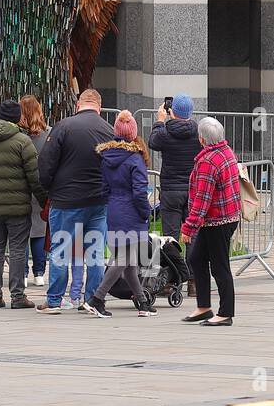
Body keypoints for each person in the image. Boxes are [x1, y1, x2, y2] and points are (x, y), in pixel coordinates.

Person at [35, 88, 112, 315]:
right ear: (99, 106)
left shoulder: (64, 127)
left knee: (60, 249)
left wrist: (49, 188)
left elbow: (46, 163)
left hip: (65, 199)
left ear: (79, 104)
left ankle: (54, 301)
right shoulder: (108, 130)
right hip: (98, 200)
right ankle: (93, 299)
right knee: (96, 252)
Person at [0, 98, 46, 310]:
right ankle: (17, 296)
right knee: (17, 249)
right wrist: (43, 202)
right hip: (18, 206)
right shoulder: (23, 142)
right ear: (17, 118)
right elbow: (34, 177)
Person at [83, 111, 154, 319]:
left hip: (114, 209)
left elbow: (104, 187)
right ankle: (97, 298)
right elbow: (140, 192)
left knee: (129, 262)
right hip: (131, 211)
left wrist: (112, 202)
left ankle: (142, 302)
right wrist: (145, 213)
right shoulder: (135, 159)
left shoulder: (106, 157)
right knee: (123, 259)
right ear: (133, 133)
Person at [182, 117, 242, 327]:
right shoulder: (226, 152)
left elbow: (202, 199)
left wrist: (189, 226)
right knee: (197, 259)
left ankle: (225, 313)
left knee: (219, 266)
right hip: (225, 216)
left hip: (218, 220)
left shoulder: (208, 162)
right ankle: (204, 307)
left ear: (201, 139)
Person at [149, 93, 199, 243]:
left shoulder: (165, 132)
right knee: (193, 235)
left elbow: (153, 141)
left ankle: (172, 266)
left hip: (170, 190)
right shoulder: (198, 132)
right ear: (190, 112)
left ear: (172, 111)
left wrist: (160, 121)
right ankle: (193, 266)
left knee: (170, 237)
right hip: (192, 189)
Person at [19, 94, 50, 286]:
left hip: (21, 188)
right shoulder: (49, 134)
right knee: (40, 231)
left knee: (22, 233)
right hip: (42, 187)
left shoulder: (17, 136)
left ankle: (21, 274)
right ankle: (39, 273)